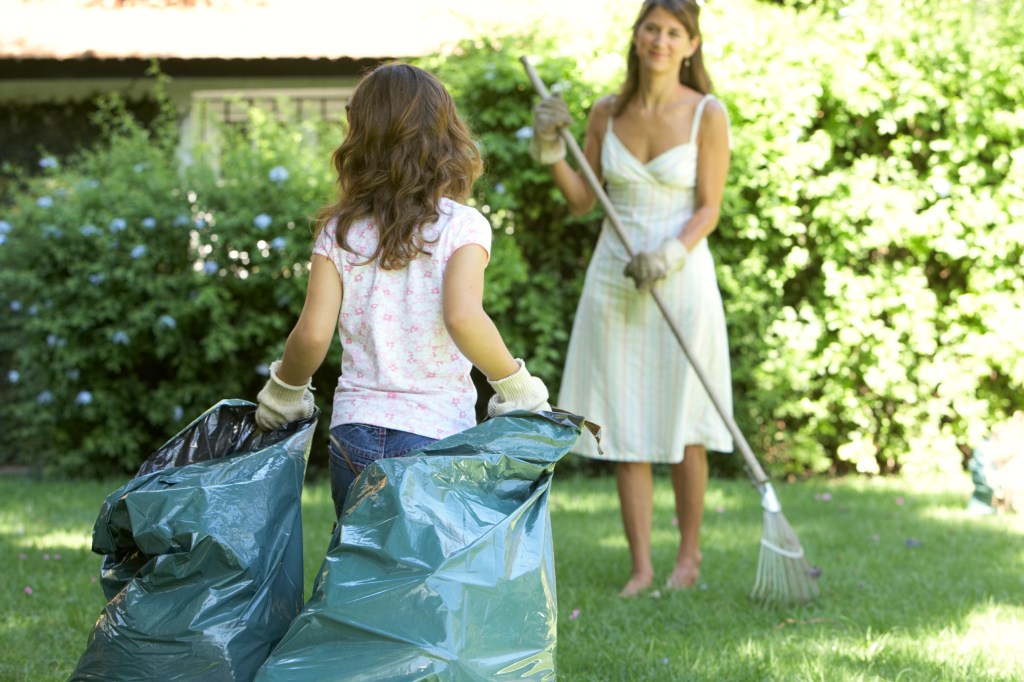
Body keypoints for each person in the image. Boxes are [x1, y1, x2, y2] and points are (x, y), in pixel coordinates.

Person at [255, 62, 550, 519]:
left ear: (360, 139)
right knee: (425, 577)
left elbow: (313, 334)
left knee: (361, 571)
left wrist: (285, 392)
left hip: (354, 432)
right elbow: (464, 317)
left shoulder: (339, 231)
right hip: (435, 432)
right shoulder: (462, 226)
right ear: (445, 136)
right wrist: (517, 388)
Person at [530, 0, 734, 597]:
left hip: (679, 275)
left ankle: (688, 559)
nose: (661, 40)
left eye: (675, 32)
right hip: (614, 278)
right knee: (625, 421)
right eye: (652, 28)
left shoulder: (707, 114)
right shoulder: (604, 112)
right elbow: (580, 200)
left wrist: (669, 255)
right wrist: (549, 148)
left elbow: (709, 208)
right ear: (637, 35)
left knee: (684, 422)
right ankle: (642, 567)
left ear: (691, 44)